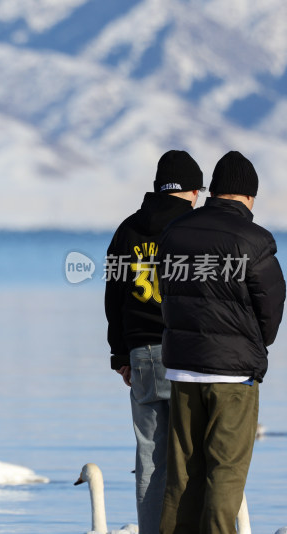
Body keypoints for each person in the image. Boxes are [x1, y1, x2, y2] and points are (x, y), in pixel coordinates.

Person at [158, 151, 285, 534]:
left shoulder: (175, 232)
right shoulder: (255, 239)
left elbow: (166, 293)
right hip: (233, 377)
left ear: (213, 192)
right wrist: (252, 346)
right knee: (225, 471)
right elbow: (272, 305)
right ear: (248, 196)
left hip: (182, 369)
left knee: (181, 474)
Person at [104, 150, 203, 534]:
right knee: (193, 456)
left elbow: (114, 297)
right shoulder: (196, 227)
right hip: (188, 354)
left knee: (150, 459)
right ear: (193, 190)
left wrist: (120, 355)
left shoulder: (128, 229)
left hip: (143, 355)